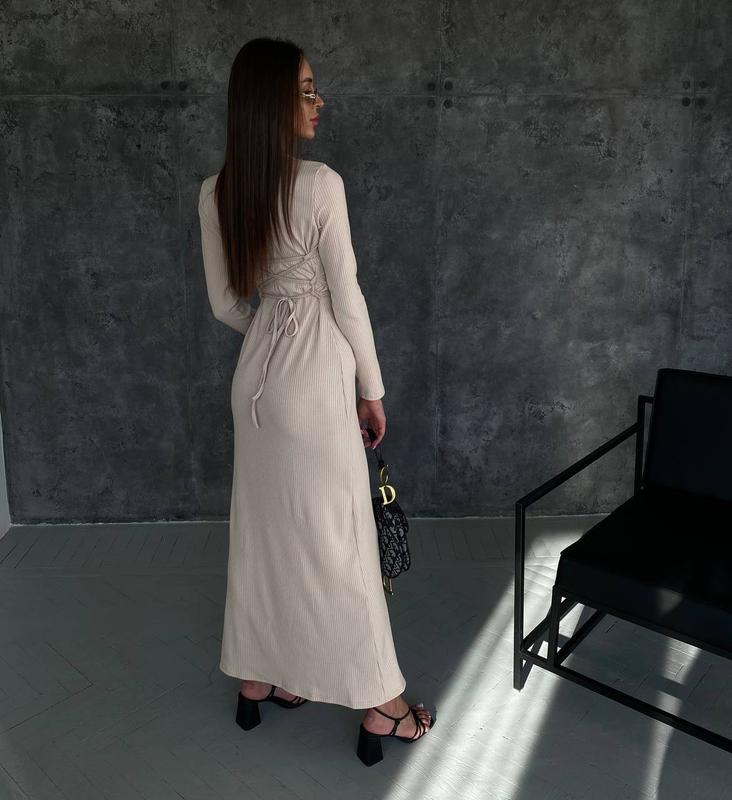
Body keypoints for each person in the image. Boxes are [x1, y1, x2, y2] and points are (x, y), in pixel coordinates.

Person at [197, 37, 434, 764]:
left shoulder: (215, 191)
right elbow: (347, 296)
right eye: (304, 90)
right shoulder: (320, 184)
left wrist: (272, 328)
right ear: (270, 104)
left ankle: (260, 678)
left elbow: (224, 304)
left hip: (254, 383)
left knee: (264, 535)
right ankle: (384, 707)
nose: (317, 100)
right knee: (340, 544)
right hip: (315, 379)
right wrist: (372, 388)